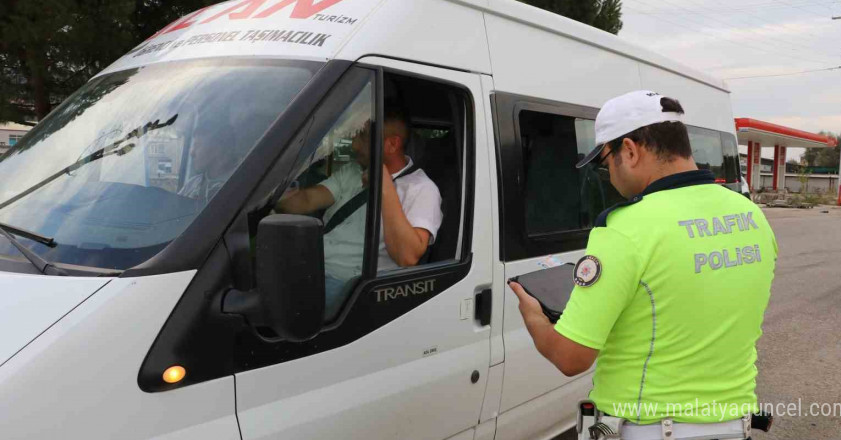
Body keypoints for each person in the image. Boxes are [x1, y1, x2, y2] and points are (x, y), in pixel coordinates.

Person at [508, 91, 777, 439]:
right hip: (733, 426)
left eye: (606, 162)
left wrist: (534, 318)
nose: (609, 175)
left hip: (649, 429)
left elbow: (571, 358)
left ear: (631, 151)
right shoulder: (752, 216)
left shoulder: (625, 229)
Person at [276, 108, 443, 319]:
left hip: (350, 288)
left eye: (363, 138)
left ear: (392, 144)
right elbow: (308, 200)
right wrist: (269, 197)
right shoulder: (353, 171)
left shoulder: (422, 189)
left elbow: (407, 256)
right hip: (311, 266)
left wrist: (384, 184)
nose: (354, 145)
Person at [178, 123, 239, 202]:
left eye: (198, 145)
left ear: (217, 149)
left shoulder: (237, 185)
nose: (192, 152)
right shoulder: (192, 184)